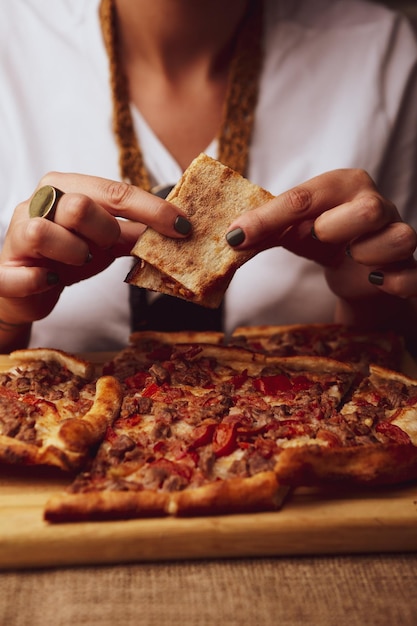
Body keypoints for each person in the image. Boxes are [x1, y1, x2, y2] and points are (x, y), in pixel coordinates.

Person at [0, 0, 417, 355]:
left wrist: (375, 308)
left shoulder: (379, 52)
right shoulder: (11, 41)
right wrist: (5, 321)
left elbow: (393, 357)